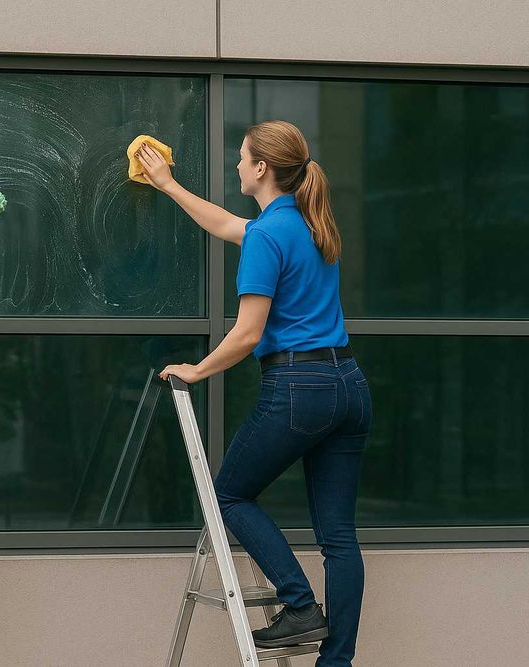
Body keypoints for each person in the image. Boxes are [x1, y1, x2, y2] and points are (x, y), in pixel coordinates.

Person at [136, 120, 372, 667]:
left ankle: (297, 604)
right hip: (349, 386)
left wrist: (196, 370)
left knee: (228, 497)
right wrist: (168, 185)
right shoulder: (308, 224)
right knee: (338, 534)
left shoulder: (270, 234)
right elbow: (225, 224)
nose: (236, 166)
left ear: (262, 168)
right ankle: (336, 662)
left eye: (241, 158)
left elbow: (248, 332)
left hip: (299, 388)